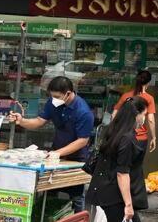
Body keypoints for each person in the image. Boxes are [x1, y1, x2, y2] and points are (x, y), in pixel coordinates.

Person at [84, 97, 148, 222]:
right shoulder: (127, 138)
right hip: (113, 194)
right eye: (144, 114)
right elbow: (122, 173)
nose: (145, 118)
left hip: (103, 190)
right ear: (136, 115)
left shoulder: (112, 131)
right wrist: (128, 204)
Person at [8, 76, 94, 211]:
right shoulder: (54, 103)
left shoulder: (83, 112)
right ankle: (47, 220)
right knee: (50, 191)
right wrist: (21, 121)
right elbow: (39, 121)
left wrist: (58, 153)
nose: (54, 99)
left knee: (76, 195)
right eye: (52, 96)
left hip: (76, 158)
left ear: (68, 93)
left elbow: (82, 141)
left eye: (57, 96)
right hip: (55, 156)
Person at [113, 69, 156, 155]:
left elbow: (114, 115)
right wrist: (154, 137)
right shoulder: (149, 98)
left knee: (122, 162)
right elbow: (151, 120)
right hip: (140, 138)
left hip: (123, 136)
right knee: (137, 163)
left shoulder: (126, 96)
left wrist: (115, 132)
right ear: (148, 83)